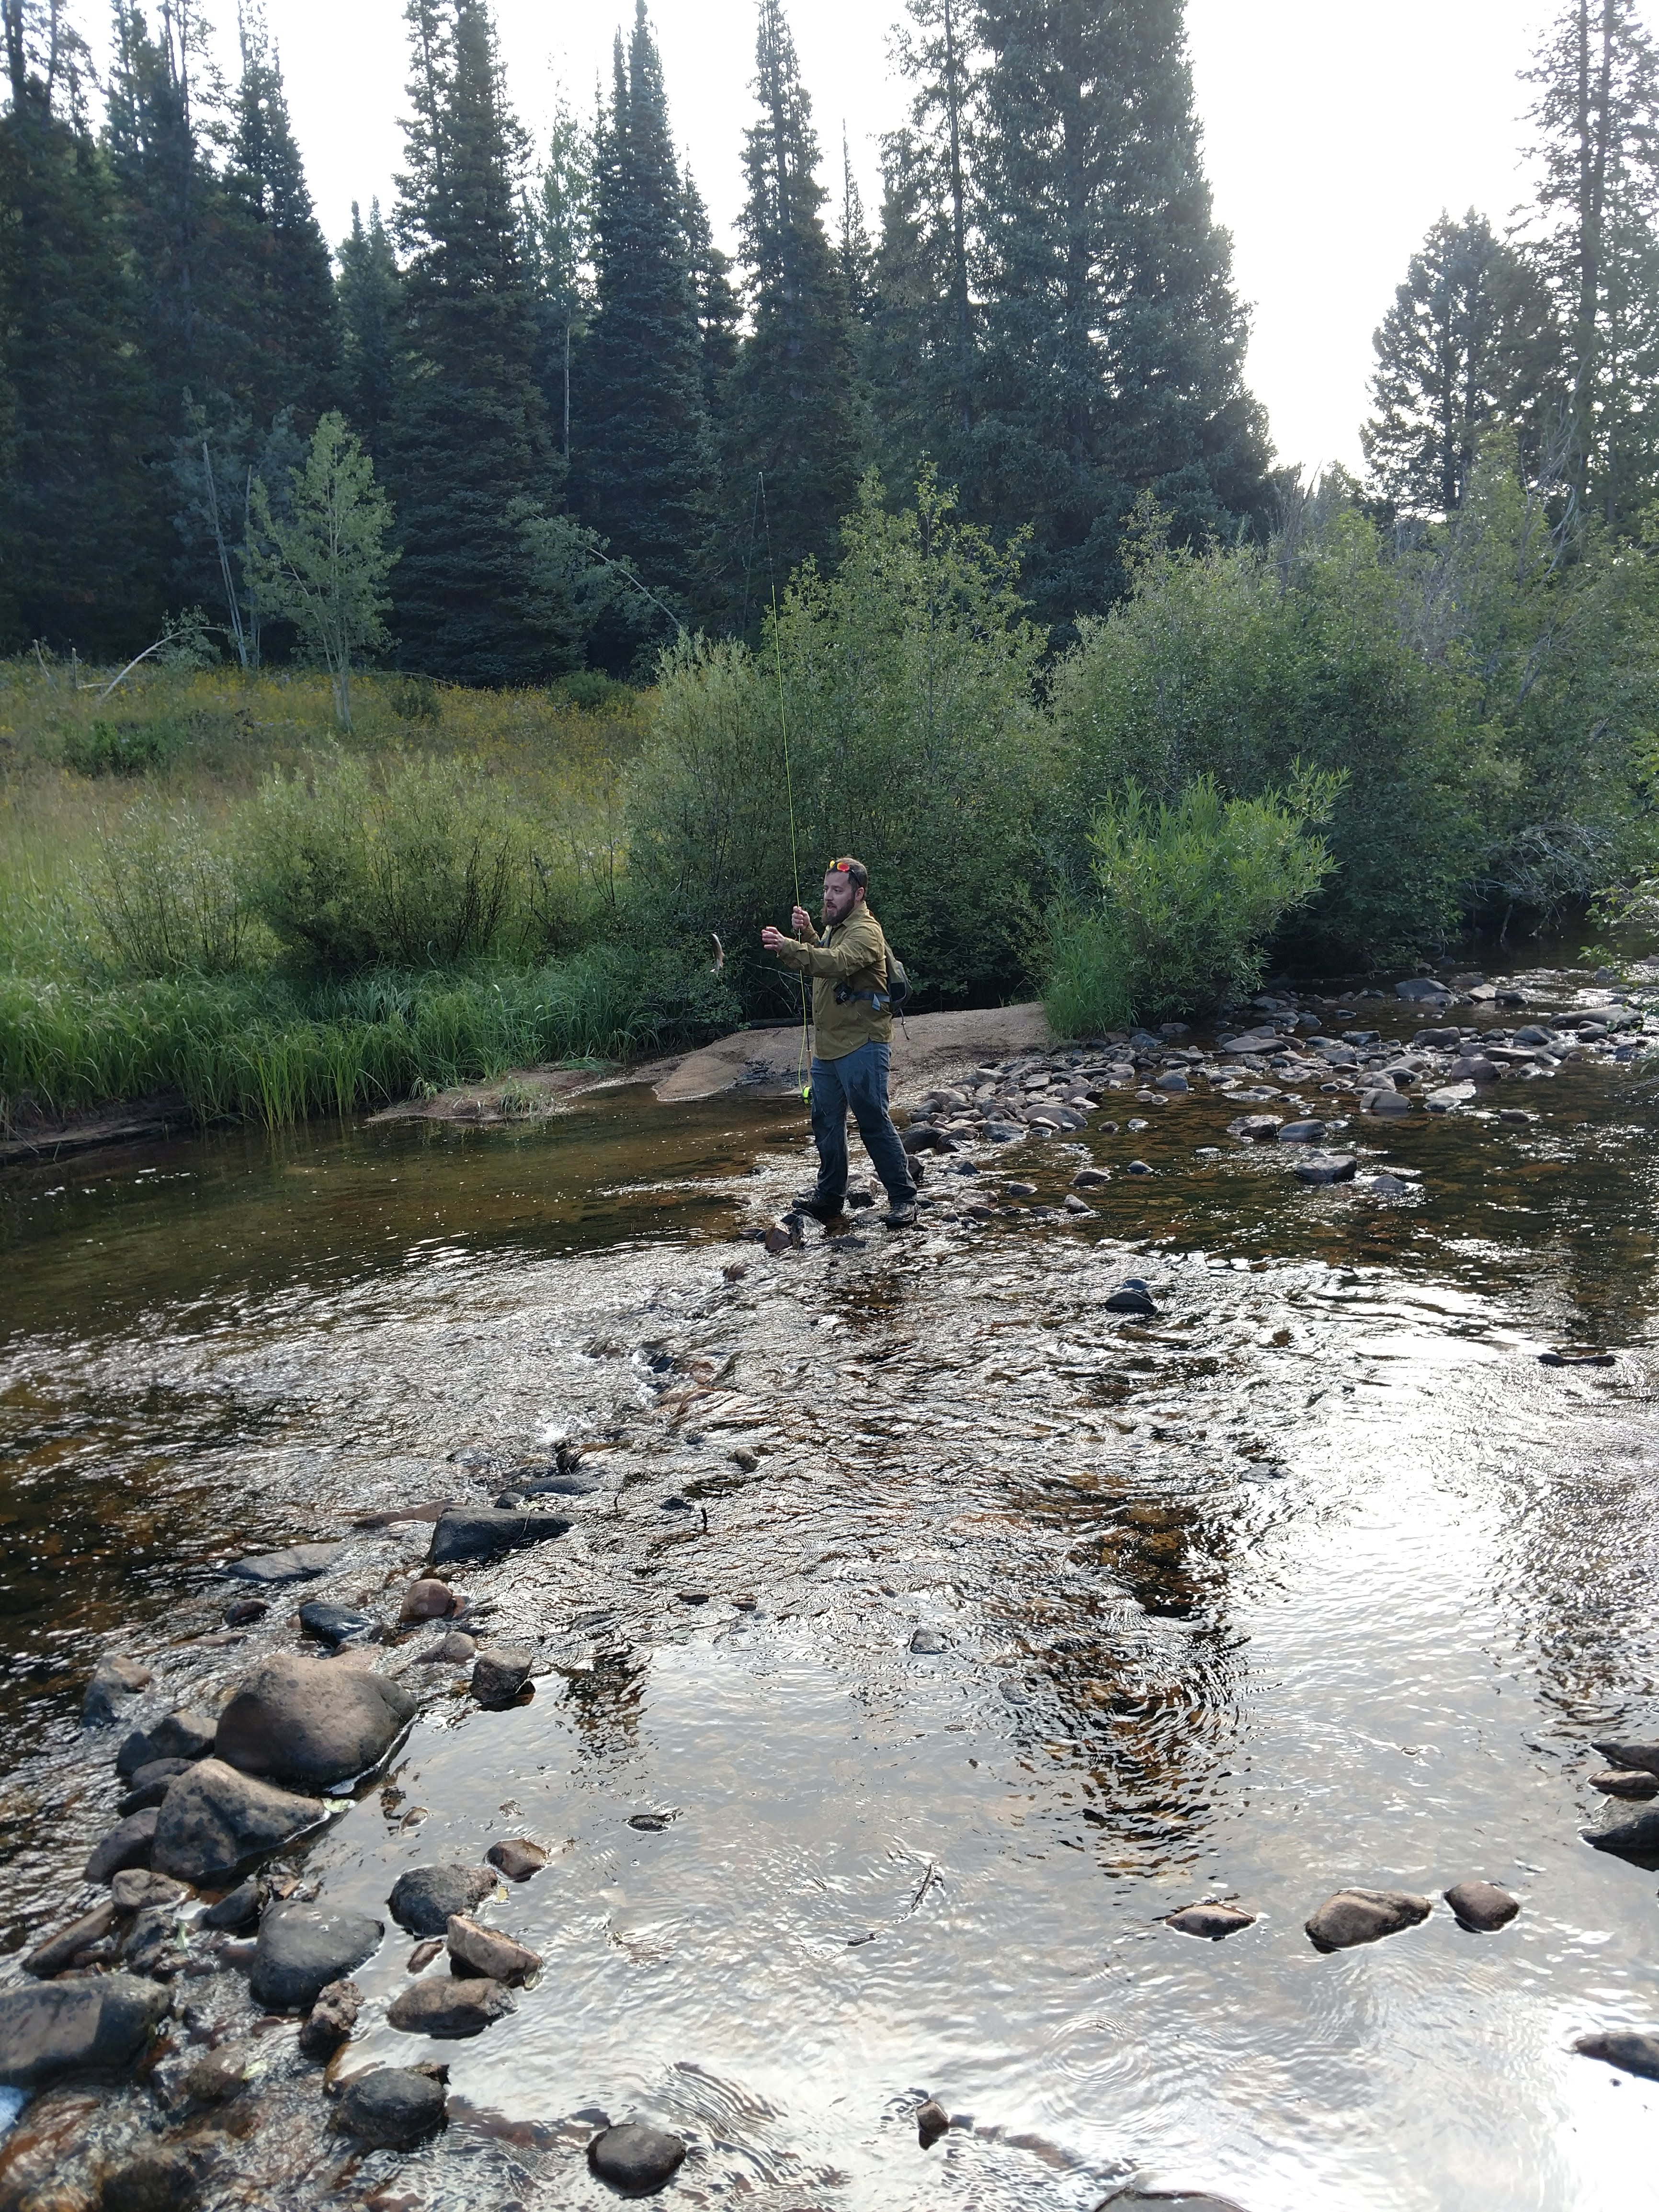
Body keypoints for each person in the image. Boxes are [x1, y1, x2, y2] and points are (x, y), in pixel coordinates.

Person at [761, 856, 919, 1229]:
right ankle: (830, 1199)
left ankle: (903, 1198)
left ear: (858, 894)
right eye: (826, 890)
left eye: (837, 891)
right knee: (826, 1123)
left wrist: (788, 946)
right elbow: (827, 954)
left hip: (863, 1043)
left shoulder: (866, 931)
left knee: (872, 1122)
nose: (828, 897)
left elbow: (835, 964)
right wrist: (811, 933)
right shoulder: (837, 926)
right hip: (830, 1047)